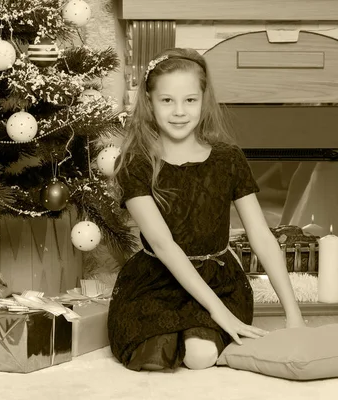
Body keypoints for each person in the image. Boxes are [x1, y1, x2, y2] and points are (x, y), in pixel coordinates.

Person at [107, 47, 306, 372]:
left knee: (199, 357)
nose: (179, 111)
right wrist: (218, 313)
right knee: (155, 354)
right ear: (150, 101)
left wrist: (294, 315)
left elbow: (261, 237)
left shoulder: (228, 159)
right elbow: (163, 244)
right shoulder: (136, 162)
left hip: (218, 279)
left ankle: (208, 335)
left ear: (204, 99)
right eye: (167, 100)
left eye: (189, 100)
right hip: (157, 279)